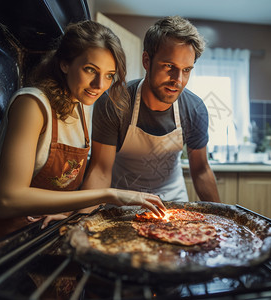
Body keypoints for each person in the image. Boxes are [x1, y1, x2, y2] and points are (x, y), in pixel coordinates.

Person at [0, 20, 165, 240]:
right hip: (9, 243)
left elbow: (61, 192)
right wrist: (110, 194)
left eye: (109, 75)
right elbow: (8, 200)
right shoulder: (32, 105)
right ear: (65, 63)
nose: (99, 85)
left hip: (47, 235)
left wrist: (68, 212)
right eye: (90, 70)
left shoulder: (81, 106)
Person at [82, 16, 220, 203]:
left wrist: (222, 218)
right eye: (169, 66)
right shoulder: (114, 103)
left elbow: (201, 170)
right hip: (122, 204)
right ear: (146, 61)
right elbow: (100, 170)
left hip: (174, 203)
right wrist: (81, 217)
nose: (178, 79)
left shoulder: (195, 110)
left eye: (186, 70)